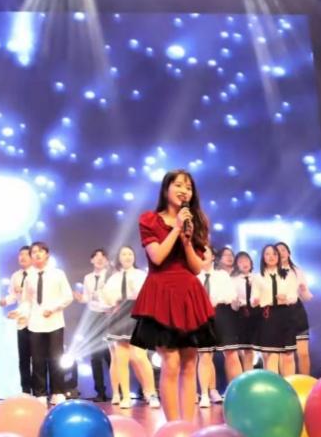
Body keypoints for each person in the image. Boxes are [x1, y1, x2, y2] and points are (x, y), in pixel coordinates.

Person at [130, 170, 216, 422]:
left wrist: (187, 241)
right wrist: (176, 228)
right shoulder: (149, 220)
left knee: (190, 362)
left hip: (189, 295)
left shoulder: (197, 221)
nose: (184, 191)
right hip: (162, 294)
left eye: (188, 187)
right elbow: (157, 257)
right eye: (178, 185)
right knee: (171, 362)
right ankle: (173, 427)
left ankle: (187, 426)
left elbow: (197, 268)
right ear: (166, 189)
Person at [99, 246, 159, 410]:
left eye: (130, 254)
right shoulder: (114, 278)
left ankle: (151, 393)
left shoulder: (141, 275)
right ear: (119, 258)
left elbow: (150, 295)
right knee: (121, 357)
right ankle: (125, 396)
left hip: (137, 313)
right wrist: (111, 304)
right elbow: (105, 298)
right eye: (124, 254)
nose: (127, 257)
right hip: (119, 315)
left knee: (139, 356)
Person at [20, 242, 73, 404]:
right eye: (34, 252)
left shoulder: (58, 274)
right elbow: (27, 301)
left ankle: (58, 391)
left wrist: (53, 308)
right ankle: (40, 393)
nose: (37, 254)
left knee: (56, 358)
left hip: (54, 322)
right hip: (35, 323)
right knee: (37, 360)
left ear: (47, 254)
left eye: (40, 251)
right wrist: (20, 313)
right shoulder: (29, 277)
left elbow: (68, 296)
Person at [198, 246, 239, 408]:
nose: (202, 255)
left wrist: (213, 301)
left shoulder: (222, 275)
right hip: (201, 315)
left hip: (221, 313)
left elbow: (230, 295)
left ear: (213, 257)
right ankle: (205, 393)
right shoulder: (194, 276)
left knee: (231, 353)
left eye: (205, 252)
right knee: (205, 354)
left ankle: (237, 391)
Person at [253, 245, 300, 374]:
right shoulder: (258, 276)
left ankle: (289, 383)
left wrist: (286, 298)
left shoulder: (288, 274)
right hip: (268, 315)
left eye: (274, 254)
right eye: (267, 254)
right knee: (271, 354)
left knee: (288, 354)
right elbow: (254, 297)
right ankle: (273, 383)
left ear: (278, 256)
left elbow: (294, 296)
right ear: (263, 257)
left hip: (286, 314)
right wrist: (254, 301)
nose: (271, 257)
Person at [75, 249, 114, 402]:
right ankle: (100, 392)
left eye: (102, 256)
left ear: (106, 260)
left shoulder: (112, 276)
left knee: (111, 354)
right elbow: (87, 297)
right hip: (93, 316)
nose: (99, 259)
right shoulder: (88, 278)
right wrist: (80, 298)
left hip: (108, 315)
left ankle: (118, 391)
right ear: (91, 260)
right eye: (96, 256)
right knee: (95, 356)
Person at [0, 245, 34, 395]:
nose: (22, 257)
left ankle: (40, 390)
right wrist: (5, 301)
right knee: (23, 357)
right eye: (20, 255)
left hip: (36, 319)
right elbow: (13, 295)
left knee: (38, 358)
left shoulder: (37, 275)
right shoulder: (16, 276)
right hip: (21, 321)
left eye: (26, 254)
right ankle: (26, 390)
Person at [276, 242, 313, 376]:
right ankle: (286, 383)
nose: (281, 253)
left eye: (283, 250)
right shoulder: (270, 272)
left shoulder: (297, 271)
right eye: (278, 251)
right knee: (285, 353)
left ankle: (305, 382)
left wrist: (304, 290)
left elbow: (306, 297)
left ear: (289, 252)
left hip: (297, 311)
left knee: (303, 353)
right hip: (279, 312)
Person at [230, 250, 259, 375]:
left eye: (246, 260)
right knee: (247, 349)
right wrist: (236, 302)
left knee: (263, 348)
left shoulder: (258, 278)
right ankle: (248, 376)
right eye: (240, 261)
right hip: (242, 314)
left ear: (251, 262)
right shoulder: (233, 280)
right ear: (237, 265)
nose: (244, 263)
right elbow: (233, 305)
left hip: (259, 313)